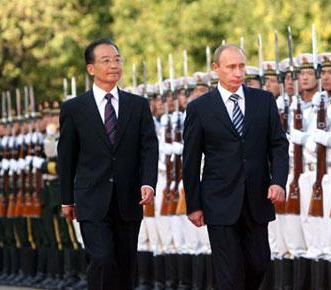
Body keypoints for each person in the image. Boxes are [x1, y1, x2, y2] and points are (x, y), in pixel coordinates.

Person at [182, 44, 289, 290]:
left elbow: (279, 145)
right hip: (219, 201)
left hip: (257, 198)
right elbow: (191, 160)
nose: (238, 72)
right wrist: (194, 205)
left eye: (242, 66)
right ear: (216, 69)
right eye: (231, 67)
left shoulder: (263, 101)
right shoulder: (200, 108)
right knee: (228, 273)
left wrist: (278, 181)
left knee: (259, 263)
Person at [57, 38, 158, 290]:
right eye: (106, 60)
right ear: (91, 68)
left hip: (128, 198)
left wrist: (148, 182)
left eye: (117, 59)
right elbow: (66, 156)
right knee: (101, 260)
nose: (114, 65)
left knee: (125, 268)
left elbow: (149, 148)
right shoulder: (74, 108)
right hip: (91, 199)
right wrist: (67, 198)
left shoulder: (138, 105)